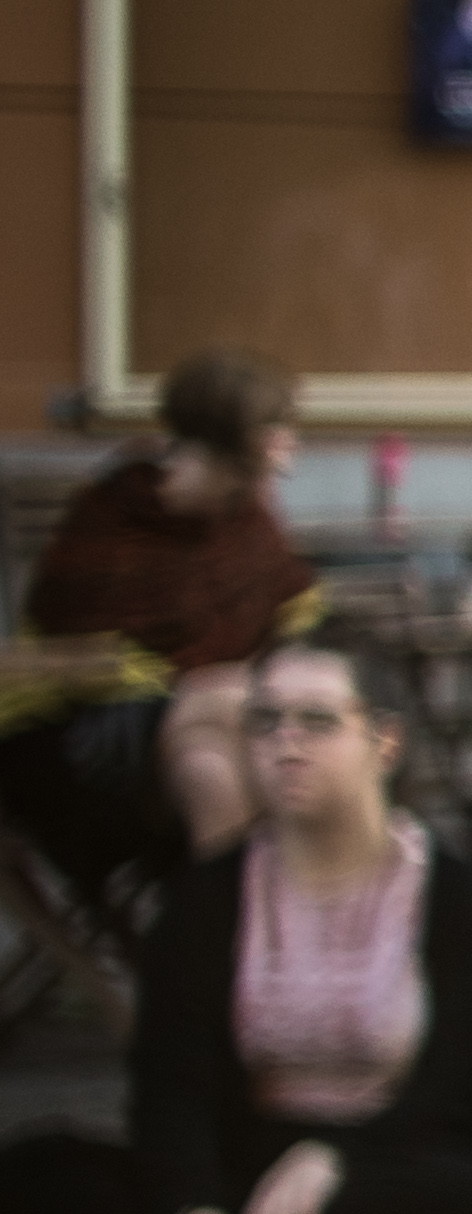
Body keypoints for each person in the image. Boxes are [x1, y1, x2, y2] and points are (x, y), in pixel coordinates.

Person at [0, 637, 472, 1214]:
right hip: (242, 1165)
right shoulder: (205, 900)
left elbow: (454, 1087)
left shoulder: (464, 901)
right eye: (266, 722)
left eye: (316, 722)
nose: (286, 746)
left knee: (466, 1204)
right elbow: (169, 1087)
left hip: (392, 1160)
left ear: (384, 740)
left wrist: (335, 1158)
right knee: (34, 1172)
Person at [2, 346, 319, 880]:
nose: (293, 443)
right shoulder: (114, 513)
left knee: (213, 770)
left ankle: (220, 943)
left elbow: (290, 618)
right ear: (245, 438)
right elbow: (71, 661)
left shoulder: (244, 521)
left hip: (202, 735)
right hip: (84, 741)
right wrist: (200, 684)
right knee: (243, 712)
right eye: (279, 427)